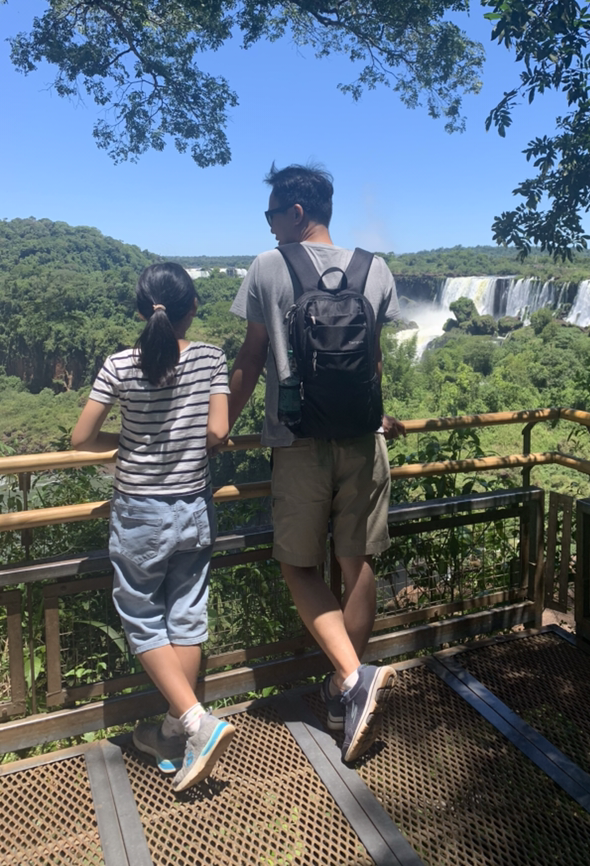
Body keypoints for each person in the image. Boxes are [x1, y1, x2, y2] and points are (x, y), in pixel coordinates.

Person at [228, 162, 404, 763]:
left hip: (297, 441)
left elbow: (252, 356)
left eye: (272, 214)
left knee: (299, 565)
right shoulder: (375, 269)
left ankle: (351, 681)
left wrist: (219, 427)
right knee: (357, 563)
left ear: (296, 212)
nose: (269, 225)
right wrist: (377, 413)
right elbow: (372, 360)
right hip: (364, 438)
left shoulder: (268, 265)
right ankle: (340, 694)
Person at [71, 262, 236, 792]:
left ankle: (196, 722)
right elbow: (218, 431)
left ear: (142, 310)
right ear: (193, 308)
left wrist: (128, 445)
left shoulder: (119, 364)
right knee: (186, 616)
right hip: (193, 507)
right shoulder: (210, 357)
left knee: (142, 618)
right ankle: (171, 733)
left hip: (140, 510)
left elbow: (80, 438)